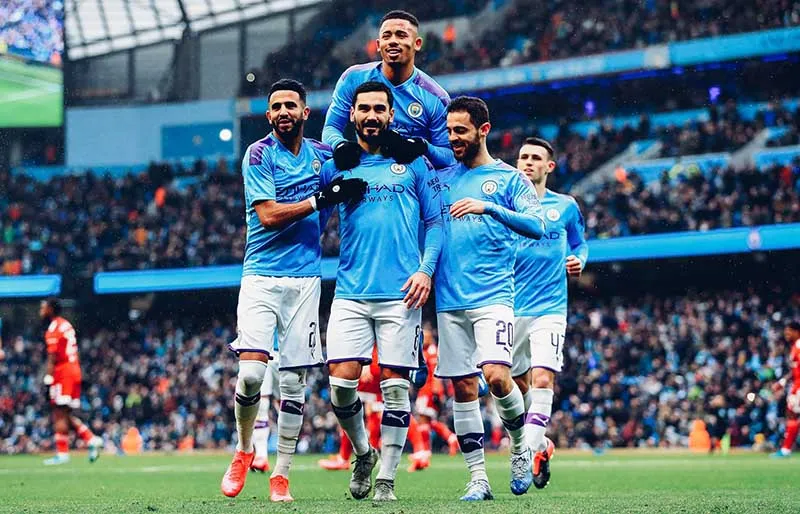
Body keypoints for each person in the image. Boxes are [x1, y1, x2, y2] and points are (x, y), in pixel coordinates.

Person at [221, 79, 367, 502]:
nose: (284, 111)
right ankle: (245, 449)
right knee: (250, 375)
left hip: (305, 281)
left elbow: (361, 162)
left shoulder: (323, 155)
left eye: (291, 105)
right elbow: (268, 216)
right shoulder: (259, 154)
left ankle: (281, 473)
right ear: (269, 116)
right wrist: (321, 200)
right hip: (261, 277)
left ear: (306, 113)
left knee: (293, 382)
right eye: (276, 106)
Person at [323, 80, 443, 501]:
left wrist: (426, 271)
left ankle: (387, 480)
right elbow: (316, 211)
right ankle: (362, 453)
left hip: (401, 294)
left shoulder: (413, 163)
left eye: (379, 109)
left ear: (391, 115)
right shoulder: (337, 164)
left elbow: (436, 223)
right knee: (340, 385)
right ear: (351, 115)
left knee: (394, 387)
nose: (372, 116)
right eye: (364, 109)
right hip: (351, 293)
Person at [433, 96, 546, 500]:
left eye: (460, 131)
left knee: (497, 376)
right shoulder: (441, 178)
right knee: (463, 390)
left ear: (483, 130)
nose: (452, 139)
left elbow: (536, 225)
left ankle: (519, 448)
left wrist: (489, 208)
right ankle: (478, 478)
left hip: (493, 295)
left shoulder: (510, 180)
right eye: (448, 131)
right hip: (449, 300)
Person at [511, 137, 588, 488]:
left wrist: (579, 260)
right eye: (523, 157)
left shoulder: (566, 207)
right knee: (513, 388)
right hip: (509, 307)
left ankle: (524, 458)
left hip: (550, 308)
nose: (527, 162)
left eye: (535, 158)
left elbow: (580, 243)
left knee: (543, 379)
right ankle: (541, 446)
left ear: (549, 166)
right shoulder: (504, 205)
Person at [322, 10, 454, 170]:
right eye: (386, 36)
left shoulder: (436, 97)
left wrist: (422, 147)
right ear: (378, 45)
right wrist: (340, 145)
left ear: (417, 44)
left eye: (401, 35)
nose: (392, 41)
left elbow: (448, 156)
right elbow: (331, 128)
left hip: (411, 183)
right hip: (366, 174)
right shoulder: (353, 78)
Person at [40, 297, 103, 465]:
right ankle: (91, 439)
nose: (41, 310)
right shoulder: (67, 324)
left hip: (63, 373)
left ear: (51, 309)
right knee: (65, 413)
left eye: (43, 307)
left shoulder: (54, 328)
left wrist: (47, 380)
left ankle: (62, 454)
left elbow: (52, 357)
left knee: (58, 412)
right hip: (74, 369)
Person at [250, 336, 280, 473]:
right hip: (264, 351)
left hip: (289, 352)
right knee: (261, 402)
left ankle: (285, 456)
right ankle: (261, 456)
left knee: (289, 404)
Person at [772, 321, 800, 457]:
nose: (786, 334)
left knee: (792, 414)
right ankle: (786, 448)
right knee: (791, 414)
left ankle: (786, 449)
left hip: (799, 387)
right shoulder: (794, 346)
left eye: (789, 331)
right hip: (796, 385)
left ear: (796, 331)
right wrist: (782, 382)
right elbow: (794, 370)